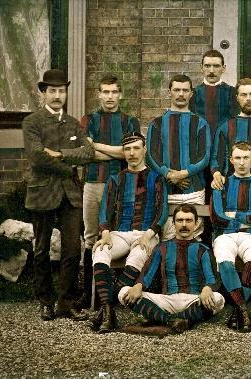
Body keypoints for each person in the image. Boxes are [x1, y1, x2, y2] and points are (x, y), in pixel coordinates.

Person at [23, 69, 94, 321]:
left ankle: (66, 302)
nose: (57, 95)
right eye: (52, 91)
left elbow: (88, 153)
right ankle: (45, 301)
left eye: (61, 91)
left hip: (71, 195)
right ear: (43, 93)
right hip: (42, 192)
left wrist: (61, 153)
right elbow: (37, 156)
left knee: (73, 249)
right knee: (41, 249)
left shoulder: (74, 123)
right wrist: (69, 165)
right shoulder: (32, 122)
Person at [89, 132, 168, 333]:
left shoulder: (156, 178)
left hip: (146, 233)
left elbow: (162, 212)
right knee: (100, 251)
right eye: (127, 149)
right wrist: (105, 232)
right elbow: (105, 210)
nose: (132, 153)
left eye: (136, 148)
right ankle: (109, 310)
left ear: (144, 150)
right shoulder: (116, 179)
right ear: (123, 152)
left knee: (138, 256)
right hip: (120, 233)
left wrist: (149, 234)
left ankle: (106, 312)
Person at [79, 75, 140, 309]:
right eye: (105, 92)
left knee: (120, 234)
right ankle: (88, 293)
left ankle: (117, 292)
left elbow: (131, 154)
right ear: (99, 94)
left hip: (124, 184)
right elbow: (86, 153)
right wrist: (117, 151)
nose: (110, 97)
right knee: (91, 236)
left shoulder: (129, 121)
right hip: (94, 182)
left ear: (120, 94)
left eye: (114, 92)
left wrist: (97, 146)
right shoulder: (89, 119)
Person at [118, 204, 225, 336]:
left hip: (192, 300)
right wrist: (138, 285)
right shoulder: (161, 248)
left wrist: (208, 288)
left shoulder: (203, 249)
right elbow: (147, 273)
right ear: (173, 223)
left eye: (188, 220)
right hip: (166, 300)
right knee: (124, 293)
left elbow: (211, 277)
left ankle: (161, 320)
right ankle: (175, 320)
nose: (184, 224)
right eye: (180, 220)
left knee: (218, 299)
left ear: (196, 223)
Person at [210, 141, 251, 332]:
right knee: (224, 260)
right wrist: (246, 216)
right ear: (231, 160)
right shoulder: (221, 184)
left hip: (250, 235)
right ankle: (242, 310)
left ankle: (237, 310)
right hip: (224, 236)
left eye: (245, 158)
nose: (242, 162)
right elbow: (217, 218)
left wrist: (233, 215)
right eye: (238, 158)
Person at [146, 74, 211, 240]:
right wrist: (168, 175)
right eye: (176, 90)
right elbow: (151, 156)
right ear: (169, 93)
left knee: (193, 239)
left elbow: (204, 156)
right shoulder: (157, 123)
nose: (181, 94)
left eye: (185, 90)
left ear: (191, 94)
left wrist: (183, 174)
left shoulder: (200, 122)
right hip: (166, 190)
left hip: (194, 190)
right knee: (168, 238)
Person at [189, 49, 236, 136]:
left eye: (216, 66)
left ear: (223, 68)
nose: (211, 70)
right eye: (207, 66)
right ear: (201, 68)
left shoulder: (231, 92)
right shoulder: (193, 93)